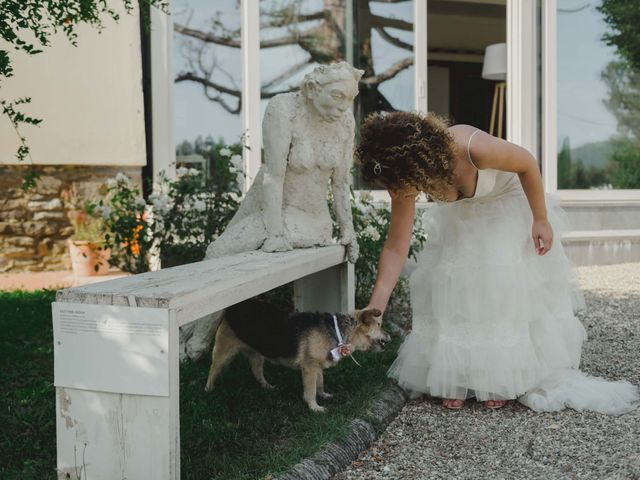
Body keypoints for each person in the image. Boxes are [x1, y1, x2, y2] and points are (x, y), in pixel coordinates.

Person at [355, 111, 639, 413]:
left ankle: (501, 376)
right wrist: (377, 308)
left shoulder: (469, 146)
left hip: (507, 208)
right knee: (457, 292)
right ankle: (461, 378)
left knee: (498, 290)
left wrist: (540, 219)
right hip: (462, 220)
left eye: (394, 182)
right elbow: (396, 247)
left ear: (415, 162)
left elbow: (527, 163)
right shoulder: (405, 180)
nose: (394, 190)